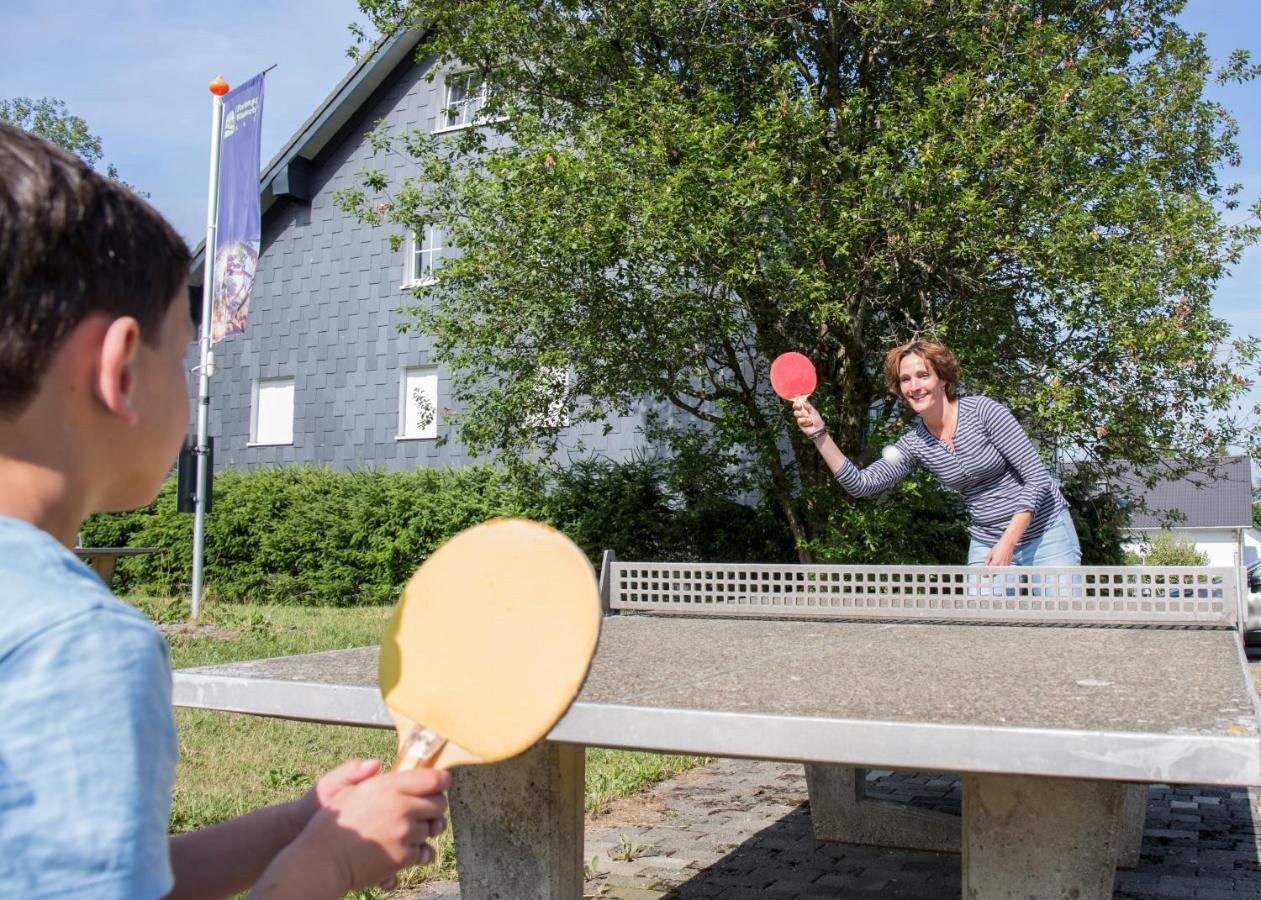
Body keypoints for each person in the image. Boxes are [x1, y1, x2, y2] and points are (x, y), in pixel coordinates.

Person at [0, 122, 449, 899]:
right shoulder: (76, 645)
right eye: (181, 350)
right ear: (121, 371)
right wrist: (326, 867)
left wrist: (294, 827)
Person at [793, 339, 1080, 566]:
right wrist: (820, 434)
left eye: (922, 375)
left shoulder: (983, 412)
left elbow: (1037, 479)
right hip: (988, 539)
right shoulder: (915, 444)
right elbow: (862, 484)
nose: (914, 386)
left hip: (1046, 532)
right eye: (906, 379)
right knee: (984, 633)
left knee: (1059, 629)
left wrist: (1008, 542)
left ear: (943, 378)